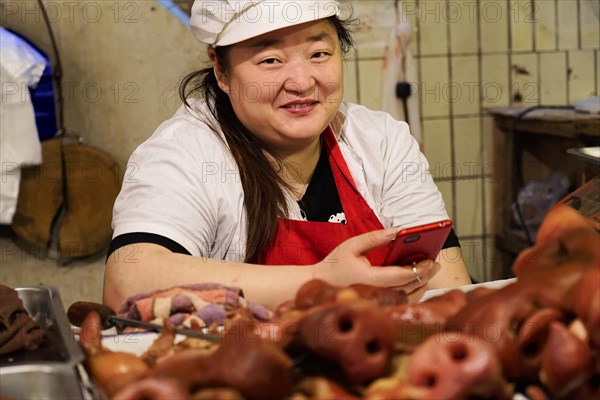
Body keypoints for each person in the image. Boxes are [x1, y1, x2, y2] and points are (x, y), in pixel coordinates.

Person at [103, 0, 472, 312]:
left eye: (319, 54)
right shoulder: (184, 152)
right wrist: (321, 281)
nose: (301, 82)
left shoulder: (382, 142)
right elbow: (128, 282)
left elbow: (450, 288)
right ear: (221, 70)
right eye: (270, 60)